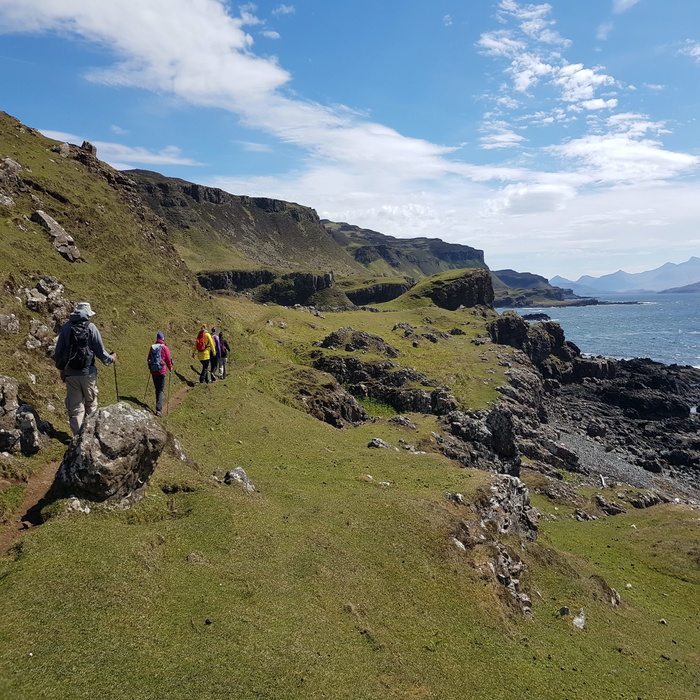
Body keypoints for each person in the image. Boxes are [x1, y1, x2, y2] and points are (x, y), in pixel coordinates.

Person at [53, 301, 117, 436]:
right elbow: (100, 351)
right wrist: (111, 359)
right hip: (88, 373)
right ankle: (91, 437)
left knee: (75, 408)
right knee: (91, 404)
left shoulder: (66, 327)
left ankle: (77, 438)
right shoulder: (91, 327)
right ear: (88, 314)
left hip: (70, 373)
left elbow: (58, 352)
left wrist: (61, 370)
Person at [147, 331, 173, 416]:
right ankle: (158, 409)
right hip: (162, 371)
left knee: (157, 389)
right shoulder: (164, 347)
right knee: (161, 390)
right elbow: (168, 359)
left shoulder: (152, 347)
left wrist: (150, 368)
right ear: (163, 338)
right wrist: (170, 368)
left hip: (154, 371)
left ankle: (158, 406)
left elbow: (148, 359)